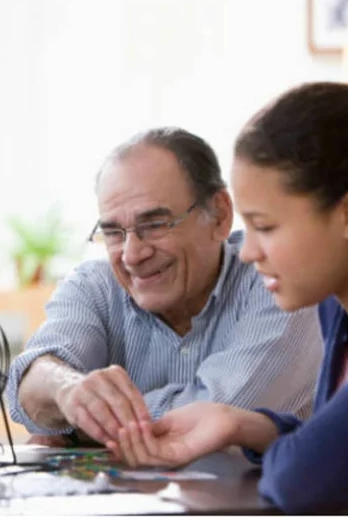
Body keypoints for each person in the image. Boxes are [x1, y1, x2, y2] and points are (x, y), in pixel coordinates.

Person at [110, 82, 348, 514]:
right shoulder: (335, 307)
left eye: (266, 227)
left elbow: (303, 479)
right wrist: (240, 424)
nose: (249, 251)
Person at [5, 127, 323, 449]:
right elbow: (30, 382)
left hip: (262, 497)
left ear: (219, 216)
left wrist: (75, 426)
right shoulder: (93, 286)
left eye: (155, 225)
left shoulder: (277, 278)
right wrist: (67, 389)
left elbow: (220, 419)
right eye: (114, 232)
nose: (132, 255)